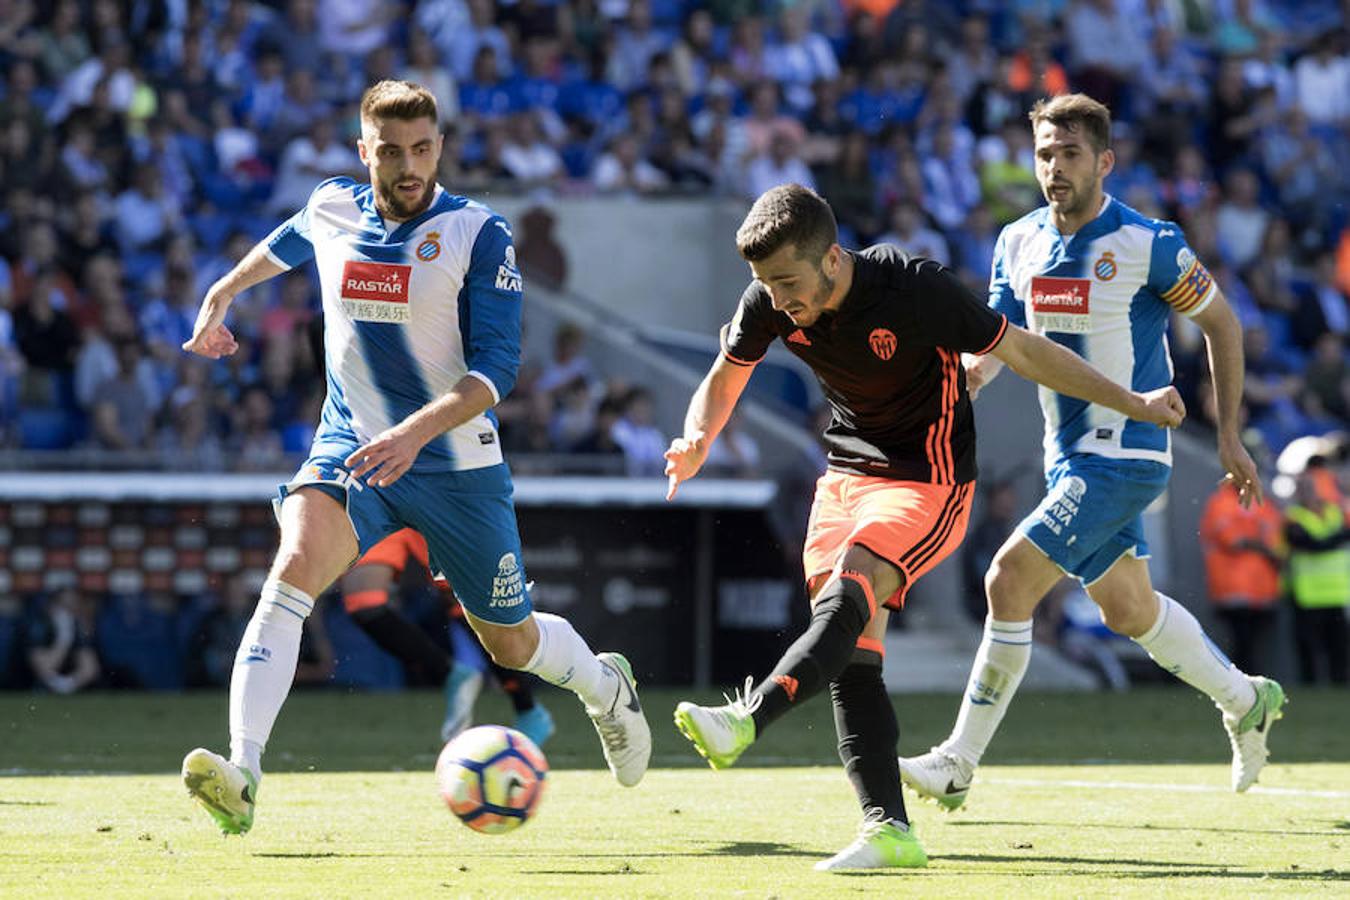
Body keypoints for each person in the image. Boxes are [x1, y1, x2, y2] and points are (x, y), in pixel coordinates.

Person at [664, 182, 1184, 872]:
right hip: (845, 479)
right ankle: (889, 831)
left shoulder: (912, 289)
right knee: (852, 649)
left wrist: (1134, 403)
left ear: (832, 260)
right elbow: (727, 373)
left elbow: (1026, 351)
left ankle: (748, 717)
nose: (778, 297)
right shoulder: (769, 299)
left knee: (852, 590)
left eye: (788, 281)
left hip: (927, 482)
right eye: (765, 282)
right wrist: (697, 437)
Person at [179, 80, 650, 837]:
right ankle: (244, 774)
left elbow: (497, 372)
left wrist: (414, 435)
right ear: (364, 151)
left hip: (454, 462)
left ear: (440, 147)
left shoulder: (478, 232)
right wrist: (222, 293)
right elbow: (287, 243)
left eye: (422, 149)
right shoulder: (333, 205)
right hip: (353, 447)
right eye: (391, 151)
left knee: (513, 642)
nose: (408, 166)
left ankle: (605, 687)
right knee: (295, 566)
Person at [898, 94, 1286, 814]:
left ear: (1104, 161)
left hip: (1128, 455)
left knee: (1007, 581)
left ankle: (957, 762)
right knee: (1128, 610)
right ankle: (1247, 699)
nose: (1054, 167)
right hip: (1065, 457)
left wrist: (1227, 432)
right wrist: (956, 388)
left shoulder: (1148, 242)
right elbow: (998, 346)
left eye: (1070, 153)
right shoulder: (1015, 241)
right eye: (1045, 153)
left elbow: (1224, 327)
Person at [341, 527, 555, 745]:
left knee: (468, 602)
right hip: (380, 497)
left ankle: (528, 709)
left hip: (428, 499)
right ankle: (449, 674)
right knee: (363, 601)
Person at [1199, 469, 1284, 673]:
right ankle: (1238, 681)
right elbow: (1232, 540)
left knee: (1254, 640)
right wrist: (1265, 548)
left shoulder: (1262, 503)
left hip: (1262, 587)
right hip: (1232, 586)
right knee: (1240, 639)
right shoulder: (1221, 502)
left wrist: (1271, 550)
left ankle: (1251, 681)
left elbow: (1276, 540)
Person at [1284, 462, 1349, 684]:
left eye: (1310, 487)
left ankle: (1339, 683)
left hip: (1336, 592)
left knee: (1339, 644)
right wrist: (1334, 539)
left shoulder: (1334, 511)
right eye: (1303, 488)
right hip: (1307, 594)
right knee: (1309, 645)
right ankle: (1310, 684)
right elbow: (1308, 543)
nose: (1308, 492)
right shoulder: (1294, 517)